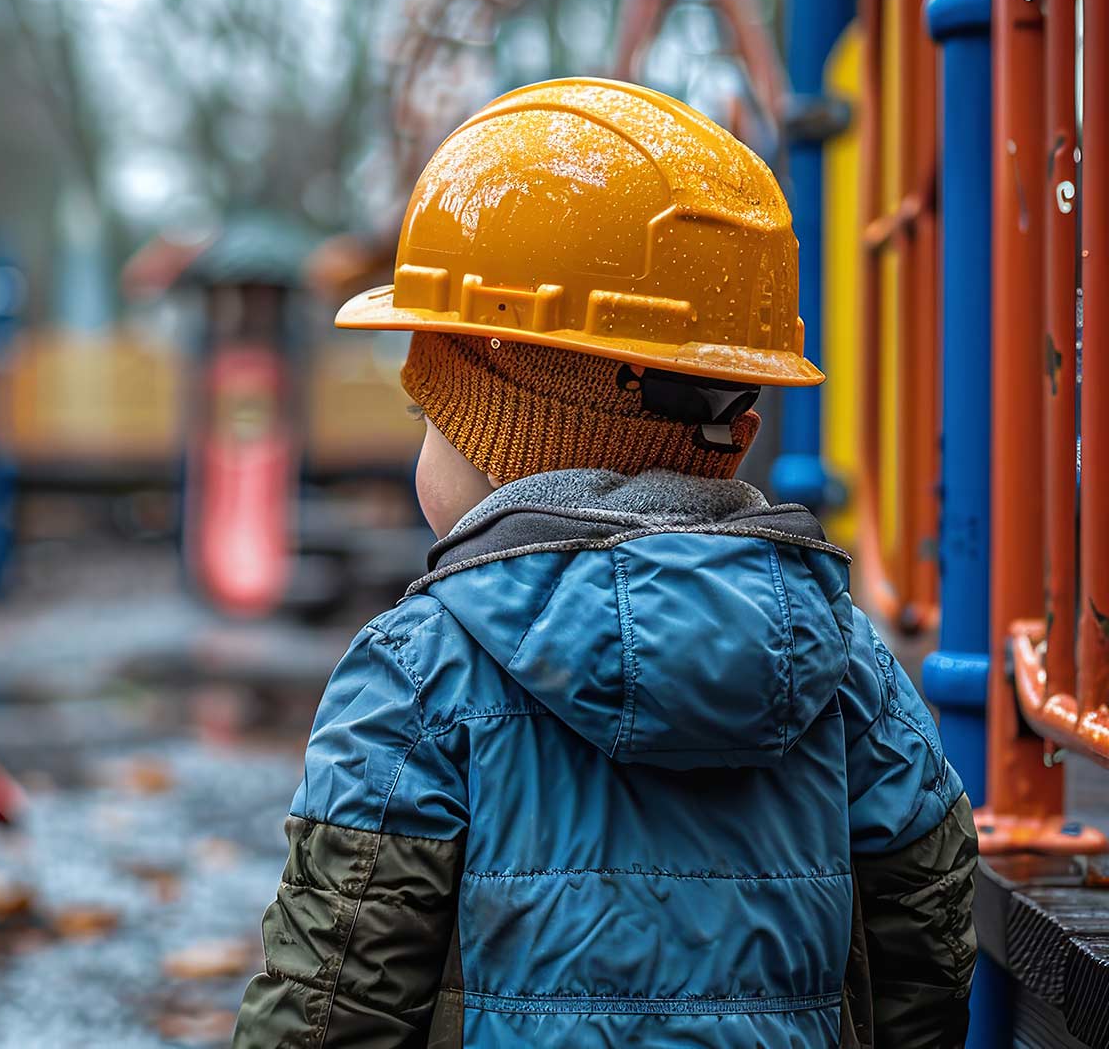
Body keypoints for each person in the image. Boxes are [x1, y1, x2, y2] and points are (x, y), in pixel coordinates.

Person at [232, 78, 976, 1049]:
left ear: (505, 432)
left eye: (430, 416)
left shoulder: (417, 668)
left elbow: (329, 998)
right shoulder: (846, 661)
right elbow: (929, 940)